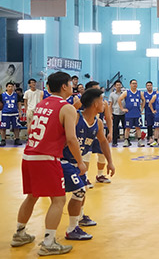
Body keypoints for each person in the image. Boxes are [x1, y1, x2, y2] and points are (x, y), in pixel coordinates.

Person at [11, 71, 84, 256]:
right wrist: (80, 162)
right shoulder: (67, 107)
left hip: (29, 155)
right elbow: (71, 139)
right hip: (46, 158)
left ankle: (19, 233)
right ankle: (49, 242)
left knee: (32, 196)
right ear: (64, 86)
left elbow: (30, 130)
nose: (73, 86)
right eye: (70, 84)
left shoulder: (42, 104)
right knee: (58, 200)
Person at [61, 88, 115, 240]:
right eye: (102, 100)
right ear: (95, 103)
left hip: (76, 162)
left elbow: (103, 142)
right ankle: (72, 229)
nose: (104, 103)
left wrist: (110, 162)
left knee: (82, 190)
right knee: (79, 191)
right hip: (63, 160)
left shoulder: (98, 123)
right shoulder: (76, 117)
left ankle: (79, 217)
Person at [84, 81, 113, 185]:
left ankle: (100, 175)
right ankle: (84, 177)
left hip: (97, 131)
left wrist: (110, 132)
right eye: (96, 89)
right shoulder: (83, 101)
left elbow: (108, 118)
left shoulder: (103, 103)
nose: (99, 91)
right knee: (86, 154)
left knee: (102, 153)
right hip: (85, 131)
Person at [118, 79, 145, 147]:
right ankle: (126, 141)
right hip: (129, 114)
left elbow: (143, 100)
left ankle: (139, 141)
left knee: (138, 127)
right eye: (133, 83)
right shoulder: (126, 92)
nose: (134, 85)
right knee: (127, 128)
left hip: (137, 113)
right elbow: (119, 99)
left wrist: (142, 108)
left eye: (135, 83)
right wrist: (122, 109)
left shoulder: (139, 92)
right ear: (130, 84)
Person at [1, 82, 22, 146]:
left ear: (14, 87)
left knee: (16, 127)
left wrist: (20, 112)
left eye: (12, 86)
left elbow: (19, 103)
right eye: (9, 86)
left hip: (14, 113)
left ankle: (17, 139)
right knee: (3, 127)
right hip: (5, 113)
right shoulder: (2, 95)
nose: (10, 88)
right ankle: (3, 139)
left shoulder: (16, 95)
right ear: (6, 87)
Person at [109, 80, 124, 147]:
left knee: (125, 127)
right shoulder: (112, 94)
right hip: (115, 113)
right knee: (115, 128)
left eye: (120, 85)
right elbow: (110, 105)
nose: (119, 86)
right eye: (117, 85)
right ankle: (114, 141)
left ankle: (126, 141)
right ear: (115, 86)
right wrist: (110, 114)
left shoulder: (124, 93)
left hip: (123, 113)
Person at [143, 81, 156, 145]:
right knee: (149, 125)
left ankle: (156, 138)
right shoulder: (144, 94)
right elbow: (142, 102)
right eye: (148, 85)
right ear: (146, 87)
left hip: (155, 111)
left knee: (157, 125)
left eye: (150, 85)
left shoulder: (156, 93)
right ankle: (150, 137)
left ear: (152, 86)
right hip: (148, 112)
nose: (149, 86)